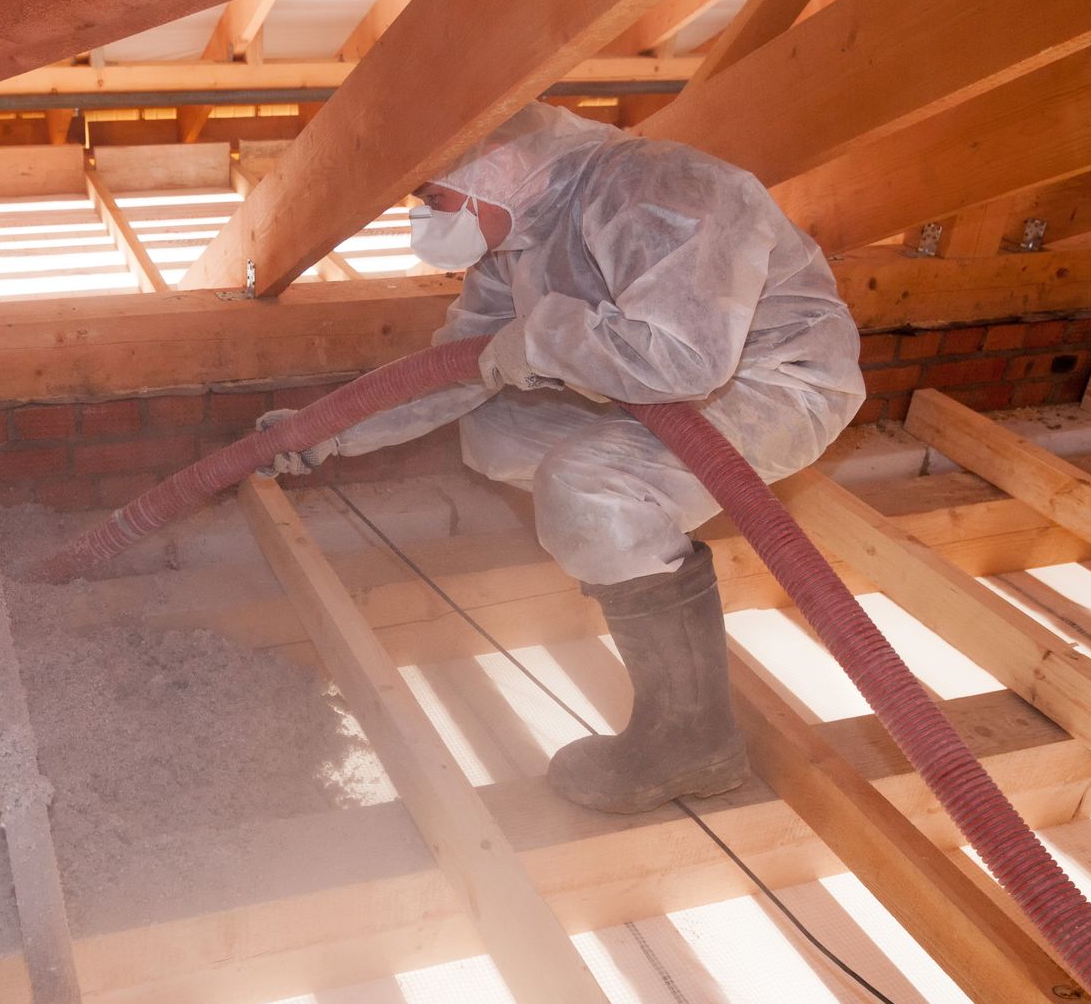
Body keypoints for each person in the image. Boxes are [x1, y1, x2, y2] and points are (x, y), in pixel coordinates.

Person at [259, 102, 863, 815]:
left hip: (774, 382)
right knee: (500, 431)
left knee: (587, 488)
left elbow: (685, 359)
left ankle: (691, 740)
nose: (424, 218)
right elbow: (457, 368)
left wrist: (543, 342)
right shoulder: (518, 234)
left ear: (498, 164)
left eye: (432, 199)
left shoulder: (654, 189)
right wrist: (327, 429)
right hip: (651, 386)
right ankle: (633, 544)